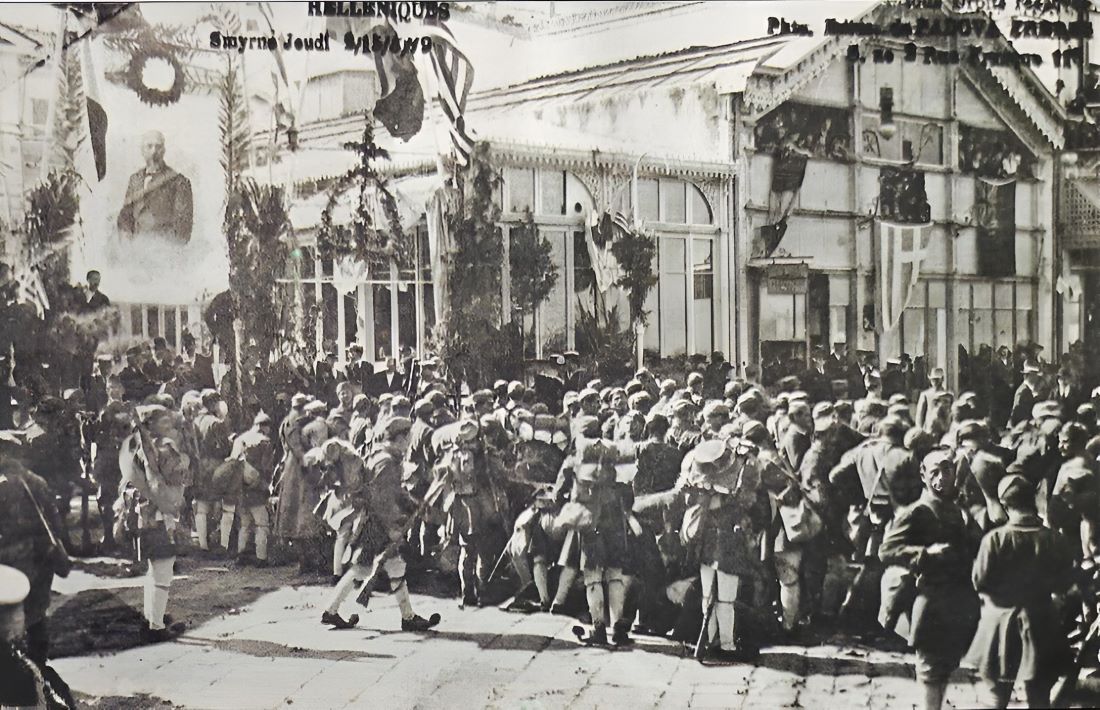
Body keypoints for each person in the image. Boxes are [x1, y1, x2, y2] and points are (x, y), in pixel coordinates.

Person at [879, 448, 981, 710]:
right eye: (935, 471)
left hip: (959, 598)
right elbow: (887, 550)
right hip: (931, 598)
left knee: (946, 664)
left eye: (947, 469)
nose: (942, 477)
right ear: (923, 476)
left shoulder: (958, 509)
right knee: (930, 667)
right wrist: (925, 554)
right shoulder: (917, 512)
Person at [320, 416, 440, 633]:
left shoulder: (384, 457)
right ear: (401, 438)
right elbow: (381, 500)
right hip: (377, 527)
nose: (409, 441)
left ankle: (408, 616)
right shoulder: (386, 462)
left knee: (391, 567)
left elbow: (392, 493)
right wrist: (393, 528)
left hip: (376, 524)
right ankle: (332, 610)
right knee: (361, 569)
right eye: (407, 437)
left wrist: (412, 503)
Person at [966, 474, 1074, 709]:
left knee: (996, 696)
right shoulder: (1054, 539)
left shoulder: (994, 540)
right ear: (1033, 501)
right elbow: (1065, 584)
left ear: (1005, 504)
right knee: (1039, 697)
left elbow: (979, 581)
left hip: (1000, 624)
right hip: (1041, 623)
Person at [116, 406, 190, 642]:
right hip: (158, 515)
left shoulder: (136, 446)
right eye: (163, 421)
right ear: (151, 425)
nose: (169, 424)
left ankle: (152, 619)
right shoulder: (163, 449)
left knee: (154, 571)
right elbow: (174, 479)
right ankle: (156, 627)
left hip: (140, 515)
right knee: (163, 571)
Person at [0, 433, 72, 668]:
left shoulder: (3, 484)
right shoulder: (36, 481)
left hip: (12, 560)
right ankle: (38, 668)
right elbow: (56, 521)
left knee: (10, 615)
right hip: (42, 558)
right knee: (37, 615)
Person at [117, 130, 193, 244]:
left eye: (158, 147)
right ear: (142, 151)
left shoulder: (179, 182)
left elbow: (183, 226)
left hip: (163, 251)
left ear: (164, 151)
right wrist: (127, 242)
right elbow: (125, 216)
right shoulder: (135, 179)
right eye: (149, 146)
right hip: (136, 251)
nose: (154, 152)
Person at [221, 412, 276, 567]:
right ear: (265, 427)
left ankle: (242, 555)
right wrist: (266, 484)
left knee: (245, 524)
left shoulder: (240, 439)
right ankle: (261, 557)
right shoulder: (265, 442)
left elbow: (232, 462)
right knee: (261, 524)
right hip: (257, 488)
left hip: (241, 488)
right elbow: (266, 468)